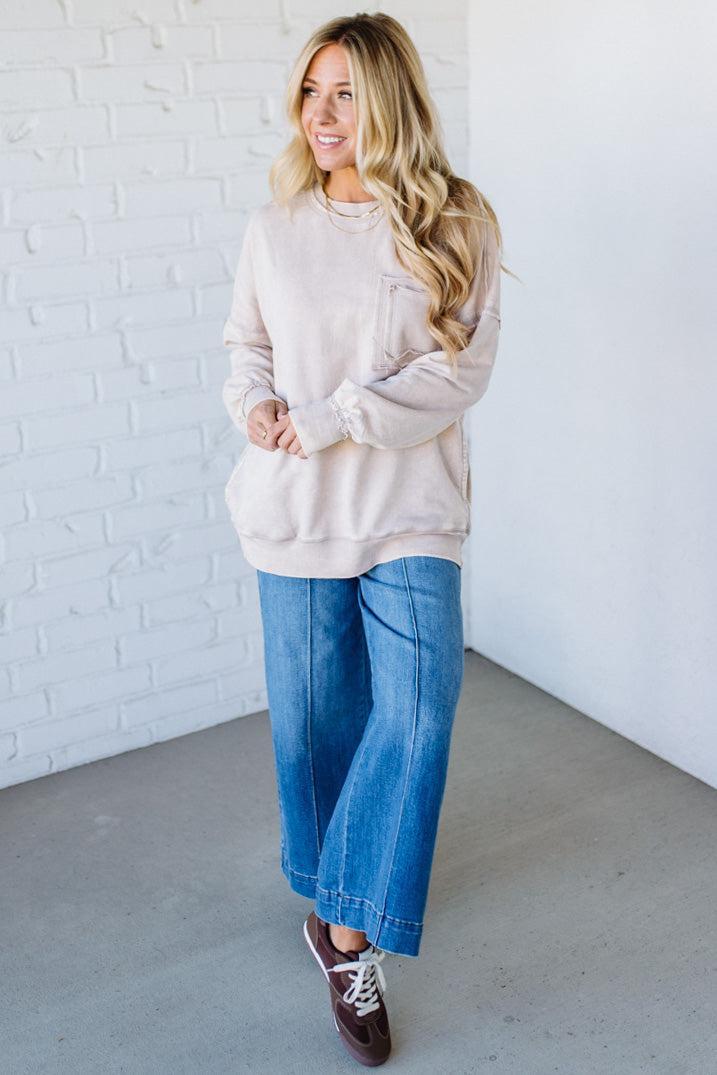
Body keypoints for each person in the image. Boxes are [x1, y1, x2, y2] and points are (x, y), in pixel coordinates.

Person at [222, 12, 504, 1067]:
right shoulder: (276, 223)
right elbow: (244, 346)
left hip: (412, 506)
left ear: (390, 98)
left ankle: (344, 932)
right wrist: (255, 405)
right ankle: (341, 901)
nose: (323, 115)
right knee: (317, 725)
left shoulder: (456, 218)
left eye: (344, 92)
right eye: (310, 92)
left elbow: (458, 375)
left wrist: (335, 412)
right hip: (295, 508)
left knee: (421, 705)